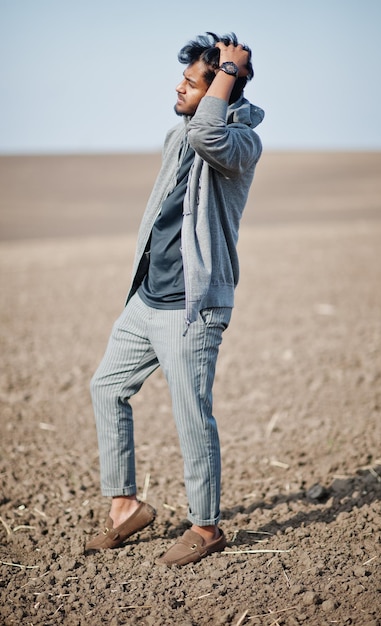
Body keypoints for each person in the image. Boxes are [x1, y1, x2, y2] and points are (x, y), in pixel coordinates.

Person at [86, 31, 264, 566]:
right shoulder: (179, 133)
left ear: (220, 90)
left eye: (192, 82)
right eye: (183, 79)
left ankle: (206, 528)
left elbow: (211, 134)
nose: (179, 88)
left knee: (192, 414)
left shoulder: (238, 143)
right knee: (106, 387)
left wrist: (228, 74)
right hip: (147, 298)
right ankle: (125, 509)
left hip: (193, 306)